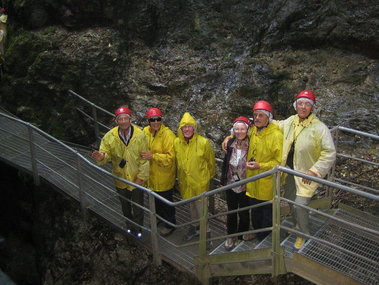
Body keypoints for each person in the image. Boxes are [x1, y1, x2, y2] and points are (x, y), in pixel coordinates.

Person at [276, 90, 336, 249]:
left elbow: (329, 152)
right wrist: (244, 127)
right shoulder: (291, 121)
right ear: (296, 106)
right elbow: (274, 125)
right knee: (289, 200)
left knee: (299, 205)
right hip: (290, 170)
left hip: (307, 173)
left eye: (307, 104)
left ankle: (305, 234)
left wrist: (315, 171)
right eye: (300, 103)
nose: (303, 107)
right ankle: (297, 226)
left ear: (312, 107)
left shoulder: (319, 128)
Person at [92, 106, 149, 238]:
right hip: (120, 177)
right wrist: (101, 157)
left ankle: (138, 229)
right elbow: (106, 154)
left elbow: (145, 159)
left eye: (125, 118)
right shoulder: (109, 137)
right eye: (120, 119)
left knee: (138, 206)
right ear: (116, 121)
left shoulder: (140, 135)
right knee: (125, 205)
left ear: (130, 119)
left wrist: (141, 178)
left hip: (136, 178)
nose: (123, 121)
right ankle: (129, 226)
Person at [245, 101, 283, 241]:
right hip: (253, 179)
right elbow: (239, 133)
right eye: (255, 115)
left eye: (261, 115)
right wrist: (229, 138)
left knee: (266, 212)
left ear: (269, 117)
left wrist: (260, 166)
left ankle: (265, 238)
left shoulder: (276, 136)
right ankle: (257, 232)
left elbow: (278, 162)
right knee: (254, 210)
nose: (257, 118)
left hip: (267, 181)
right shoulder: (253, 130)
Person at [174, 112, 215, 241]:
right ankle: (194, 227)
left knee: (202, 210)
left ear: (194, 128)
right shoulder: (176, 143)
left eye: (189, 126)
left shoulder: (204, 143)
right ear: (180, 129)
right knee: (191, 207)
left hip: (200, 183)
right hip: (185, 182)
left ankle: (206, 234)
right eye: (184, 127)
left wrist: (206, 179)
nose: (187, 129)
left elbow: (211, 163)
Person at [141, 107, 177, 237]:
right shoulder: (145, 132)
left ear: (161, 120)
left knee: (166, 201)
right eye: (152, 120)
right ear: (148, 121)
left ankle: (170, 224)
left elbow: (171, 158)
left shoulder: (168, 135)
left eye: (158, 119)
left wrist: (154, 156)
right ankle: (160, 218)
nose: (155, 122)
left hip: (164, 175)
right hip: (151, 174)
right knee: (155, 200)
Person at [220, 116, 251, 250]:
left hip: (246, 183)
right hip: (231, 182)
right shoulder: (230, 143)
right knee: (231, 210)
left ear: (247, 130)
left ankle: (242, 233)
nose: (239, 131)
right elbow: (225, 164)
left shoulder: (252, 143)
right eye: (237, 129)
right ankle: (230, 235)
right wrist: (223, 180)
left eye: (242, 129)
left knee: (244, 211)